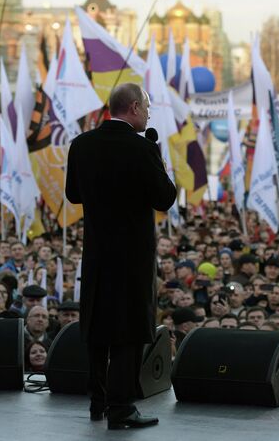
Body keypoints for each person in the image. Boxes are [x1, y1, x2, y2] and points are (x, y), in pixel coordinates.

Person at [65, 83, 177, 429]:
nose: (148, 113)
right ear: (132, 107)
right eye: (146, 106)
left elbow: (73, 194)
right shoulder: (142, 148)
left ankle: (97, 402)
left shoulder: (81, 145)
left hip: (97, 252)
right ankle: (121, 408)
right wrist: (156, 159)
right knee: (128, 330)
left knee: (98, 327)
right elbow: (165, 198)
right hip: (132, 257)